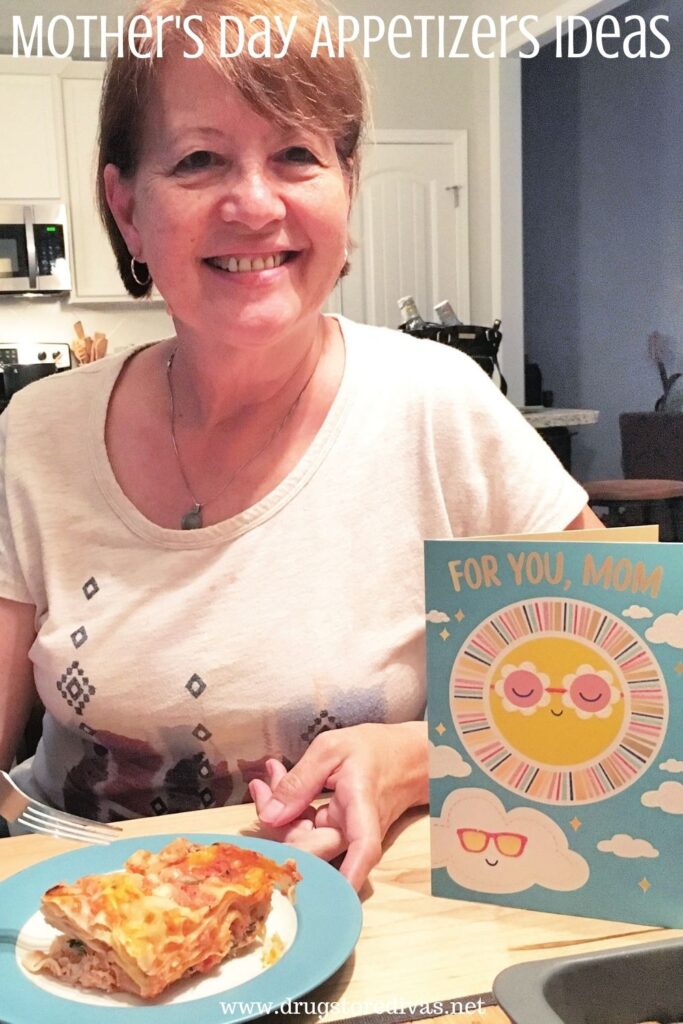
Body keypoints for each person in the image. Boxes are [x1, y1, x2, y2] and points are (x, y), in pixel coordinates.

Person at [0, 0, 601, 889]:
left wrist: (416, 756)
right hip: (89, 933)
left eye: (297, 154)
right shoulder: (36, 435)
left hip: (378, 933)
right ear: (126, 206)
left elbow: (624, 691)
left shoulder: (438, 406)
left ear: (347, 184)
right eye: (199, 159)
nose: (254, 203)